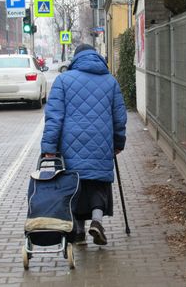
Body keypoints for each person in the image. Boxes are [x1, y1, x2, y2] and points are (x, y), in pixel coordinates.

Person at [41, 44, 127, 246]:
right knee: (97, 182)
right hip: (101, 141)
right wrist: (118, 142)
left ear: (76, 59)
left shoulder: (63, 80)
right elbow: (119, 118)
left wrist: (49, 148)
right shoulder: (110, 81)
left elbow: (54, 117)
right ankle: (96, 221)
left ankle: (78, 232)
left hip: (70, 143)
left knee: (74, 184)